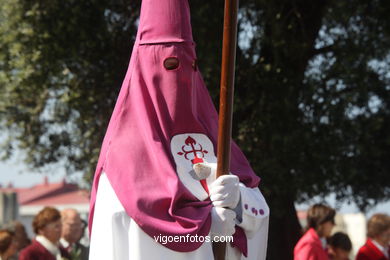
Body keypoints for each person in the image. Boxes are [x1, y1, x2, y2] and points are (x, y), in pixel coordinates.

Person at [88, 0, 269, 259]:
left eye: (189, 66)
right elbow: (121, 234)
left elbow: (259, 212)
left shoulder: (214, 137)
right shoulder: (121, 160)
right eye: (168, 66)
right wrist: (205, 231)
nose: (179, 78)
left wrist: (239, 200)